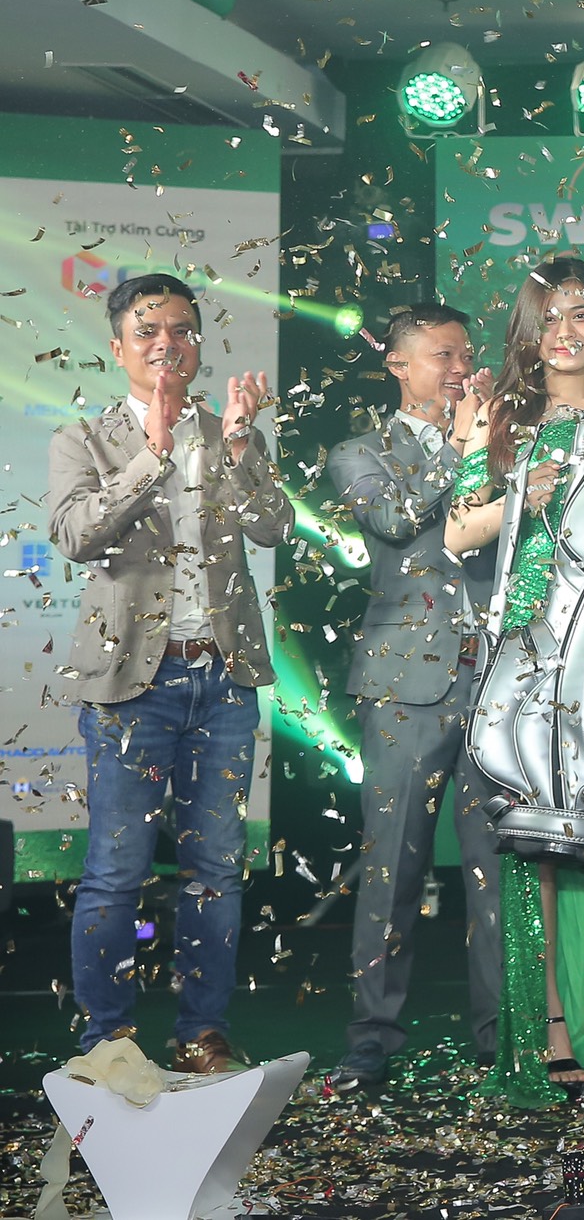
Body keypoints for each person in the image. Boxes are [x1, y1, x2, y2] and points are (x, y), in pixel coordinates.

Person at [48, 273, 288, 1072]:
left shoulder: (229, 432)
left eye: (181, 329)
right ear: (118, 346)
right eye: (147, 331)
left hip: (221, 683)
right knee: (115, 874)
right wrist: (151, 455)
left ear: (198, 343)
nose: (166, 343)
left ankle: (200, 1035)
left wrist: (245, 450)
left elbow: (274, 526)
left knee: (215, 871)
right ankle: (107, 1044)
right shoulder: (85, 438)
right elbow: (76, 536)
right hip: (131, 688)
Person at [447, 257, 584, 1103]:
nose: (566, 332)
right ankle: (552, 1032)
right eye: (550, 317)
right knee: (539, 840)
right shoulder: (501, 419)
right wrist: (519, 495)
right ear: (528, 333)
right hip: (531, 652)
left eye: (582, 314)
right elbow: (458, 534)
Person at [327, 303, 505, 1092]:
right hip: (405, 686)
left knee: (495, 871)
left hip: (497, 681)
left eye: (467, 354)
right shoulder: (360, 452)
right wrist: (460, 446)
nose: (462, 367)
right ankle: (372, 1038)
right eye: (444, 355)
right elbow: (395, 521)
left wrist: (490, 449)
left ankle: (502, 1036)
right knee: (392, 866)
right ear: (398, 366)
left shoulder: (503, 448)